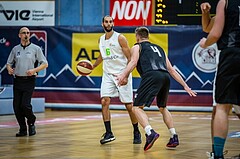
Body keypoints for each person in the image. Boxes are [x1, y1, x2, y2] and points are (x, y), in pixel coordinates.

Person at [116, 26, 197, 151]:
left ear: (137, 36)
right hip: (165, 76)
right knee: (163, 108)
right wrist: (185, 85)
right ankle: (173, 136)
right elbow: (171, 69)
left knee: (136, 108)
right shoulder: (160, 48)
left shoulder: (137, 47)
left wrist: (123, 75)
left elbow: (133, 62)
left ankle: (150, 132)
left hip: (151, 75)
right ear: (147, 36)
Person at [199, 0, 240, 158]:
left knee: (221, 109)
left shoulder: (226, 2)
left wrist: (205, 43)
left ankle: (217, 153)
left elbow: (213, 33)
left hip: (231, 56)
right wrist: (205, 13)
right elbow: (207, 26)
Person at [92, 15, 141, 145]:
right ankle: (109, 133)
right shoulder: (101, 39)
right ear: (102, 24)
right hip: (108, 74)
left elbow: (131, 59)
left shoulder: (120, 38)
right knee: (104, 101)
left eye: (110, 22)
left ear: (113, 23)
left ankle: (136, 131)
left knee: (129, 105)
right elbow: (102, 55)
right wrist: (93, 66)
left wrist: (125, 75)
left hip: (121, 74)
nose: (108, 24)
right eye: (106, 22)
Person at [6, 27, 48, 137]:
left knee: (25, 104)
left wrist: (34, 70)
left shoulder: (36, 48)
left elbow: (45, 63)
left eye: (28, 33)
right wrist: (9, 69)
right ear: (19, 35)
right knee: (17, 106)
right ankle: (23, 129)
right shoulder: (15, 49)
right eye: (24, 33)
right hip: (18, 80)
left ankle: (31, 121)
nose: (26, 34)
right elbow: (9, 63)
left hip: (29, 80)